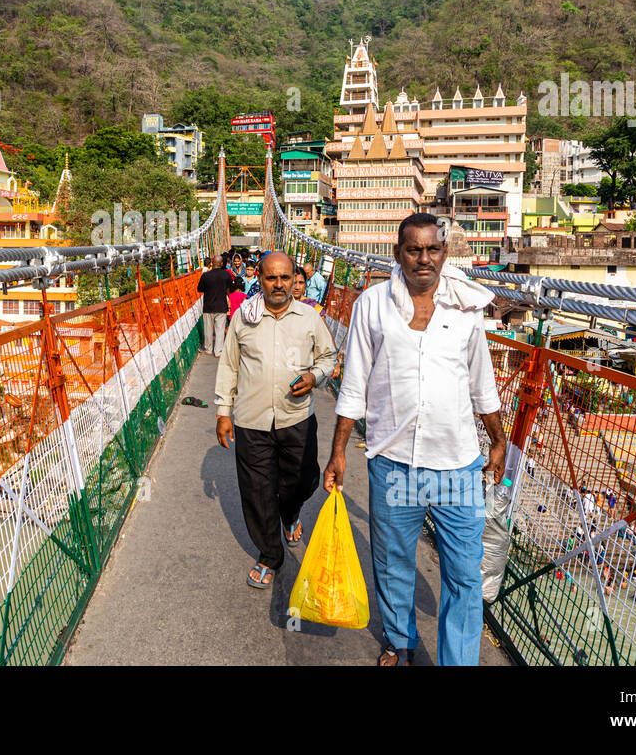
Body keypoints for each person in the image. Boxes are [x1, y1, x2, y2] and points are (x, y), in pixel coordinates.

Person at [325, 212, 508, 667]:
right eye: (414, 249)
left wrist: (499, 440)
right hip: (392, 460)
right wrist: (338, 453)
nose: (424, 258)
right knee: (393, 564)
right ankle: (399, 640)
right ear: (398, 254)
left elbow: (481, 383)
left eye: (433, 249)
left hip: (458, 466)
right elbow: (353, 384)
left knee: (464, 577)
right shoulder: (371, 304)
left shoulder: (466, 307)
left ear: (444, 253)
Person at [215, 251, 337, 590]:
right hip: (251, 419)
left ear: (293, 280)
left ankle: (291, 513)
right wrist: (223, 411)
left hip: (296, 418)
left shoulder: (310, 318)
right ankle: (270, 554)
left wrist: (315, 376)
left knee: (302, 481)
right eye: (271, 278)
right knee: (257, 490)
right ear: (261, 280)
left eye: (285, 278)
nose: (279, 284)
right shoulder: (244, 317)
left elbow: (328, 357)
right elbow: (229, 365)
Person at [198, 257, 237, 357]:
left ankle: (208, 349)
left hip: (208, 306)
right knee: (220, 330)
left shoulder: (205, 275)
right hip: (221, 306)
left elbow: (200, 289)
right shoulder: (226, 275)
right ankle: (218, 351)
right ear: (221, 263)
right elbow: (231, 287)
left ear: (212, 263)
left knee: (208, 329)